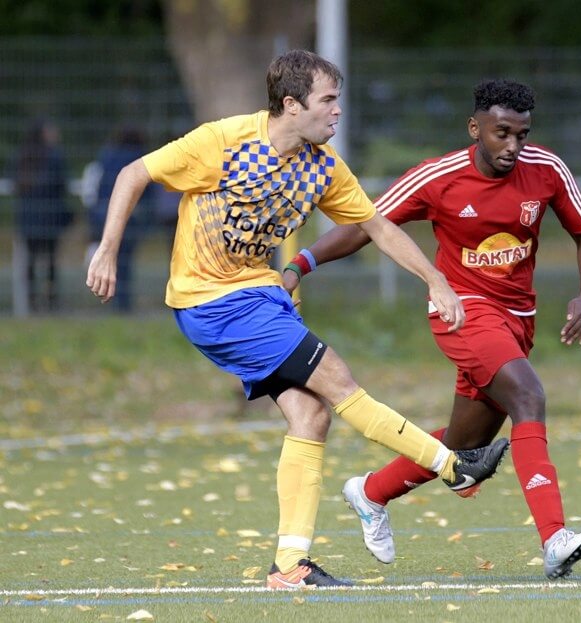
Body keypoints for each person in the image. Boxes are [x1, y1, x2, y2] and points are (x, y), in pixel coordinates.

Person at [86, 50, 509, 589]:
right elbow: (131, 174)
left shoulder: (324, 167)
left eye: (339, 101)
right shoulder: (223, 142)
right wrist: (106, 250)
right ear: (291, 104)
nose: (338, 113)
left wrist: (435, 279)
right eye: (328, 101)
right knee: (340, 382)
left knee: (312, 415)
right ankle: (454, 467)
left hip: (258, 297)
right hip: (211, 303)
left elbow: (378, 228)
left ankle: (289, 566)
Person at [283, 79, 581, 580]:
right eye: (502, 134)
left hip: (517, 320)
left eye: (522, 135)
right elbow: (366, 224)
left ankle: (371, 492)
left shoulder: (546, 169)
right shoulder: (438, 177)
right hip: (461, 311)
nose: (513, 147)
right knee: (529, 396)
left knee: (465, 447)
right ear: (475, 128)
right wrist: (301, 262)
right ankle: (555, 537)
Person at [88, 126, 155, 312]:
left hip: (104, 213)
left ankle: (111, 298)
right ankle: (123, 302)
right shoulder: (139, 156)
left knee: (109, 256)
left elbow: (99, 184)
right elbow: (148, 190)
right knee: (124, 260)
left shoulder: (107, 155)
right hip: (131, 217)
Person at [11, 118, 73, 312]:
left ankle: (31, 301)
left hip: (28, 218)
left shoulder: (21, 156)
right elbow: (62, 184)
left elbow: (14, 183)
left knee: (30, 261)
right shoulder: (54, 156)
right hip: (50, 218)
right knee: (51, 262)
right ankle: (52, 301)